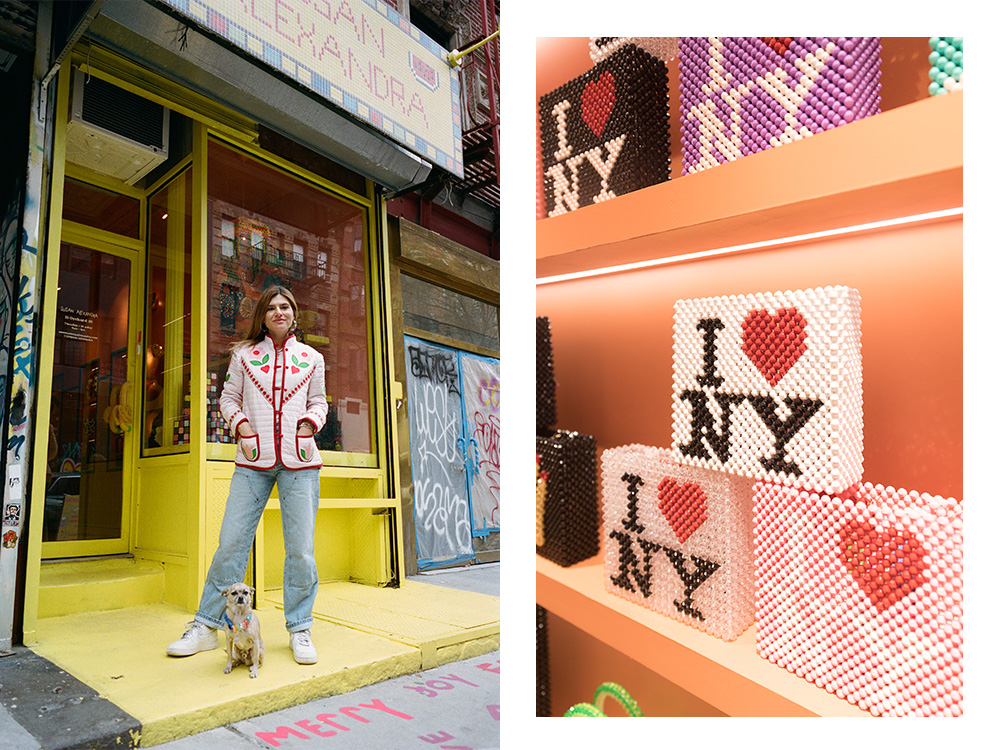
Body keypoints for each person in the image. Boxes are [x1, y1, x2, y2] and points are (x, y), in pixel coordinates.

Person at [167, 286, 328, 664]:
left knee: (301, 550)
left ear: (294, 313)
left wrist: (308, 423)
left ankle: (300, 627)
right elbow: (227, 398)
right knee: (231, 545)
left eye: (285, 306)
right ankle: (206, 626)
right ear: (262, 314)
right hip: (252, 462)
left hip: (300, 462)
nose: (278, 312)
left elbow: (319, 401)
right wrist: (241, 427)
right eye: (271, 307)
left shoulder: (312, 358)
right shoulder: (243, 355)